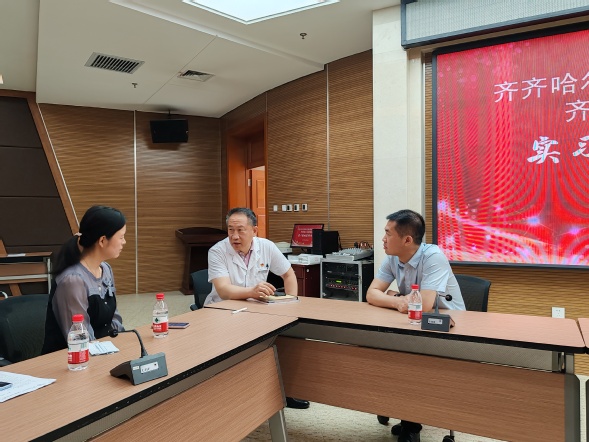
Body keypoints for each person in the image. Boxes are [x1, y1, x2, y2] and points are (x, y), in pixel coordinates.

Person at [366, 209, 465, 442]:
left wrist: (392, 296)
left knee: (410, 360)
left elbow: (426, 305)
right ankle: (400, 409)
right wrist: (398, 300)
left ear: (407, 240)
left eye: (388, 234)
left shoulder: (433, 257)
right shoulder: (393, 257)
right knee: (384, 352)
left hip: (449, 329)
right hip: (411, 323)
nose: (383, 239)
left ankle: (411, 425)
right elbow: (371, 293)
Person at [204, 207, 309, 410]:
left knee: (289, 337)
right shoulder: (217, 251)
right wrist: (252, 292)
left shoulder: (266, 246)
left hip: (257, 309)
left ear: (254, 230)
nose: (234, 236)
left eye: (240, 230)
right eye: (230, 230)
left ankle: (285, 391)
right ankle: (235, 397)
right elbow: (224, 291)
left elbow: (288, 275)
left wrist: (291, 304)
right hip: (222, 311)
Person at [42, 205, 127, 354]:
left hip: (102, 352)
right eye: (121, 237)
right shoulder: (73, 280)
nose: (124, 242)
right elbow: (81, 338)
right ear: (102, 240)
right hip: (72, 360)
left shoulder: (105, 269)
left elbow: (114, 319)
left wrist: (123, 344)